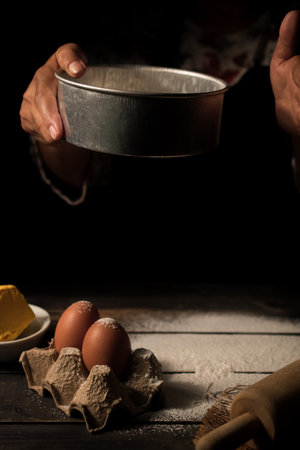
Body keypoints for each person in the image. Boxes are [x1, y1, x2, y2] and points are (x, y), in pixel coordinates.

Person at [8, 2, 300, 285]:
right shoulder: (128, 28)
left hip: (257, 281)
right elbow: (78, 170)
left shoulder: (291, 47)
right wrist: (57, 114)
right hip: (133, 273)